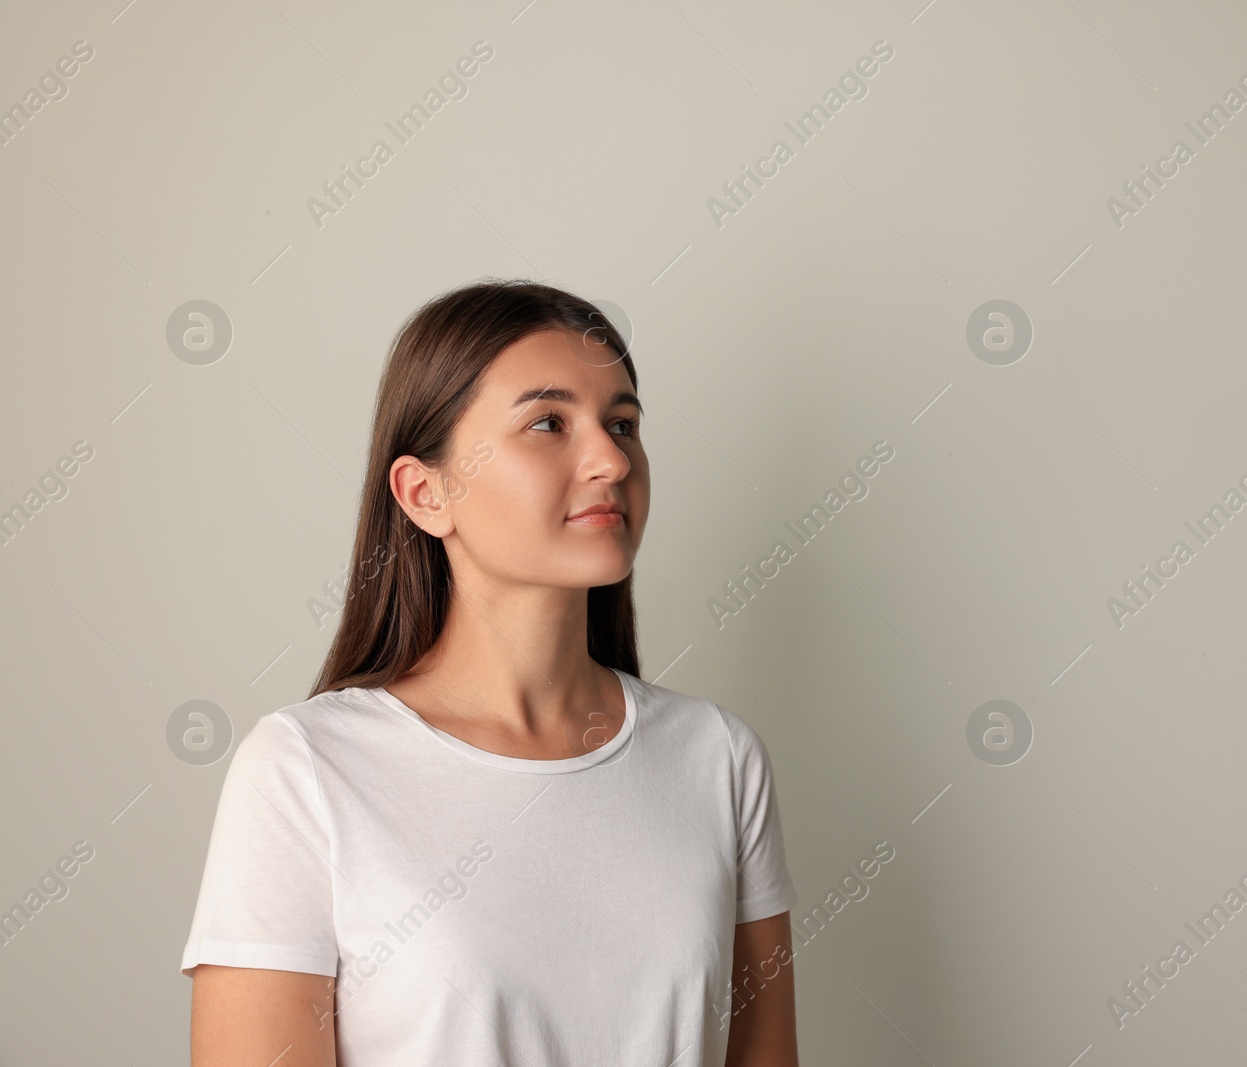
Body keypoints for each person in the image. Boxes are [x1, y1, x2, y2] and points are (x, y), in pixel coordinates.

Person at [181, 279, 801, 1066]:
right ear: (425, 491)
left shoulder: (718, 758)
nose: (611, 457)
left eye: (624, 423)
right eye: (548, 422)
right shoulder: (305, 773)